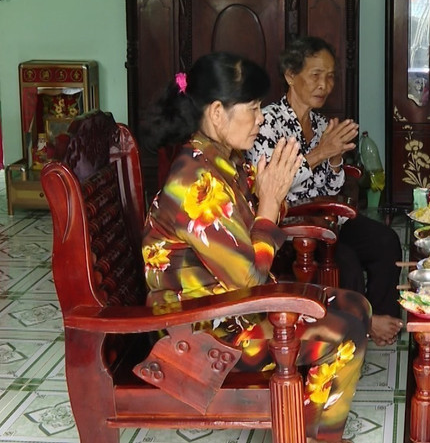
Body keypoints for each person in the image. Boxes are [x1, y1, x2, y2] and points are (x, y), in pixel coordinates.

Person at [141, 52, 370, 438]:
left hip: (232, 311)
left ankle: (310, 426)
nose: (261, 118)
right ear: (218, 113)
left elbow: (258, 213)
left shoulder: (221, 160)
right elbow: (248, 277)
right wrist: (268, 205)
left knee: (355, 306)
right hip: (201, 336)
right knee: (343, 331)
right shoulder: (195, 183)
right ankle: (313, 434)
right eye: (253, 108)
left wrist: (271, 197)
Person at [249, 37, 404, 347]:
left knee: (385, 240)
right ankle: (360, 328)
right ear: (291, 75)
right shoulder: (266, 123)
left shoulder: (320, 125)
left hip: (327, 218)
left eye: (330, 76)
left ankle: (381, 320)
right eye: (316, 75)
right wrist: (321, 153)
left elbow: (330, 188)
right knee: (346, 260)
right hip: (289, 228)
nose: (325, 85)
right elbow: (268, 185)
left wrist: (334, 160)